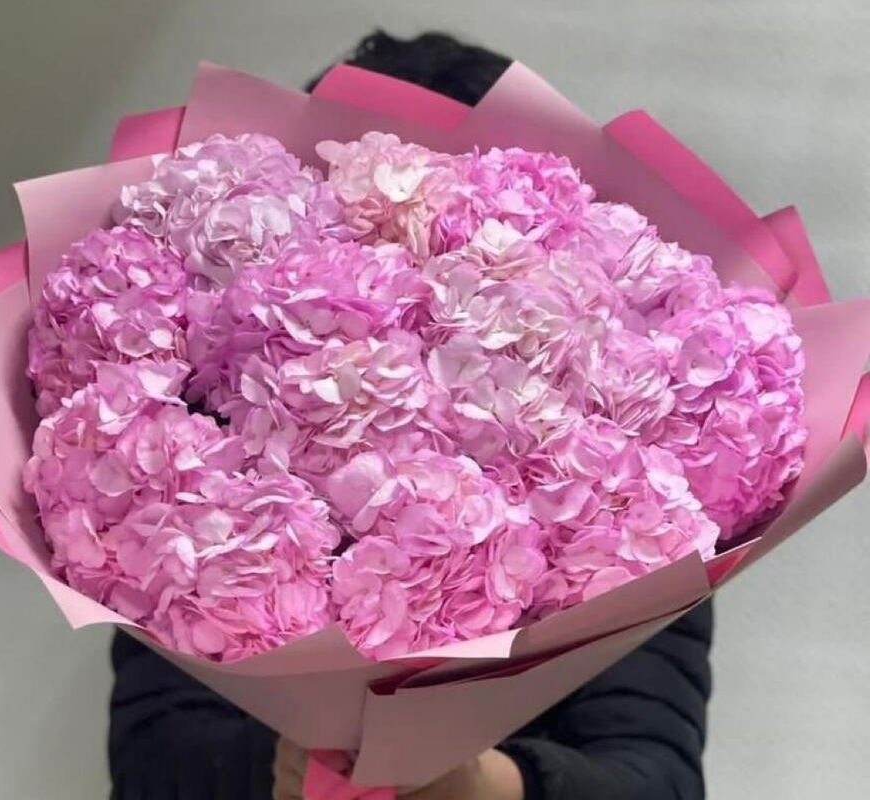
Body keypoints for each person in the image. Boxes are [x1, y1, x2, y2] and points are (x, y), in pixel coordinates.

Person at [108, 31, 714, 800]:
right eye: (357, 230)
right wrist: (285, 763)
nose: (406, 282)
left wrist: (485, 788)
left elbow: (658, 771)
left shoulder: (630, 489)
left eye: (454, 236)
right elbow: (151, 753)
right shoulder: (194, 458)